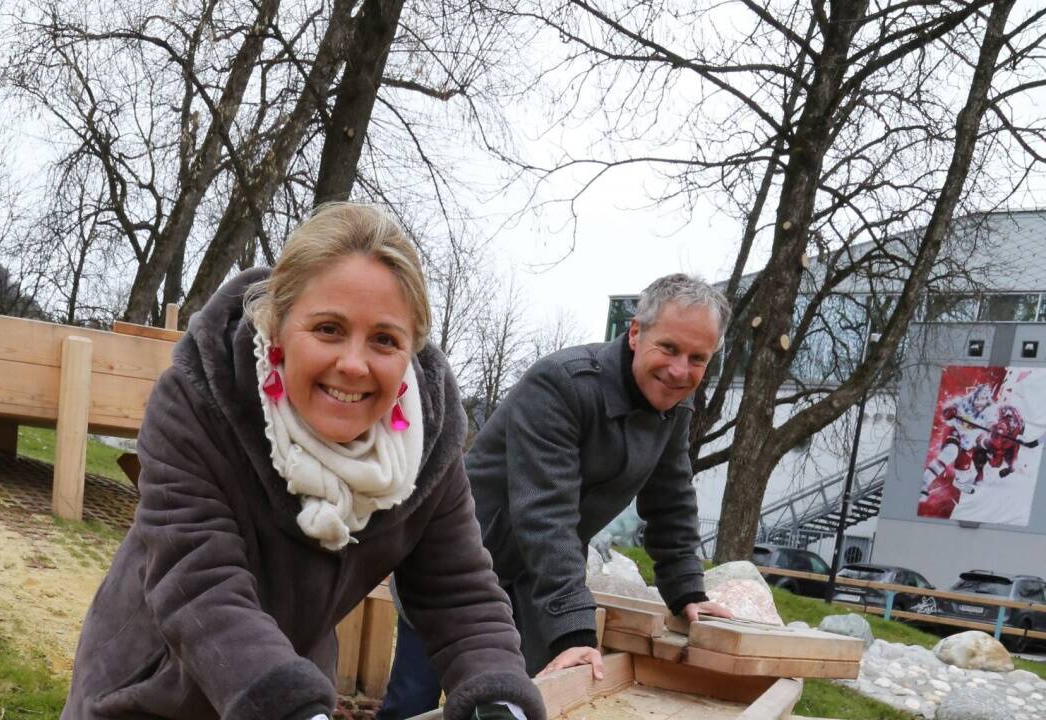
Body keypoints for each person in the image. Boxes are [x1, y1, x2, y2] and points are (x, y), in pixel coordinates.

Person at [62, 203, 544, 720]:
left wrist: (499, 698)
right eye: (328, 329)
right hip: (151, 691)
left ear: (410, 350)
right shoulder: (198, 404)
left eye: (384, 339)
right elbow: (197, 580)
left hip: (290, 687)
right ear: (279, 325)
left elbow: (460, 593)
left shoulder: (426, 450)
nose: (354, 364)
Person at [377, 273, 733, 720]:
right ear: (636, 332)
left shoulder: (674, 406)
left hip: (535, 580)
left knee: (523, 706)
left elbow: (672, 498)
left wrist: (686, 591)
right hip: (454, 570)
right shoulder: (562, 385)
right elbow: (546, 514)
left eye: (697, 358)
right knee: (415, 701)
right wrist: (574, 630)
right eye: (670, 348)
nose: (680, 370)